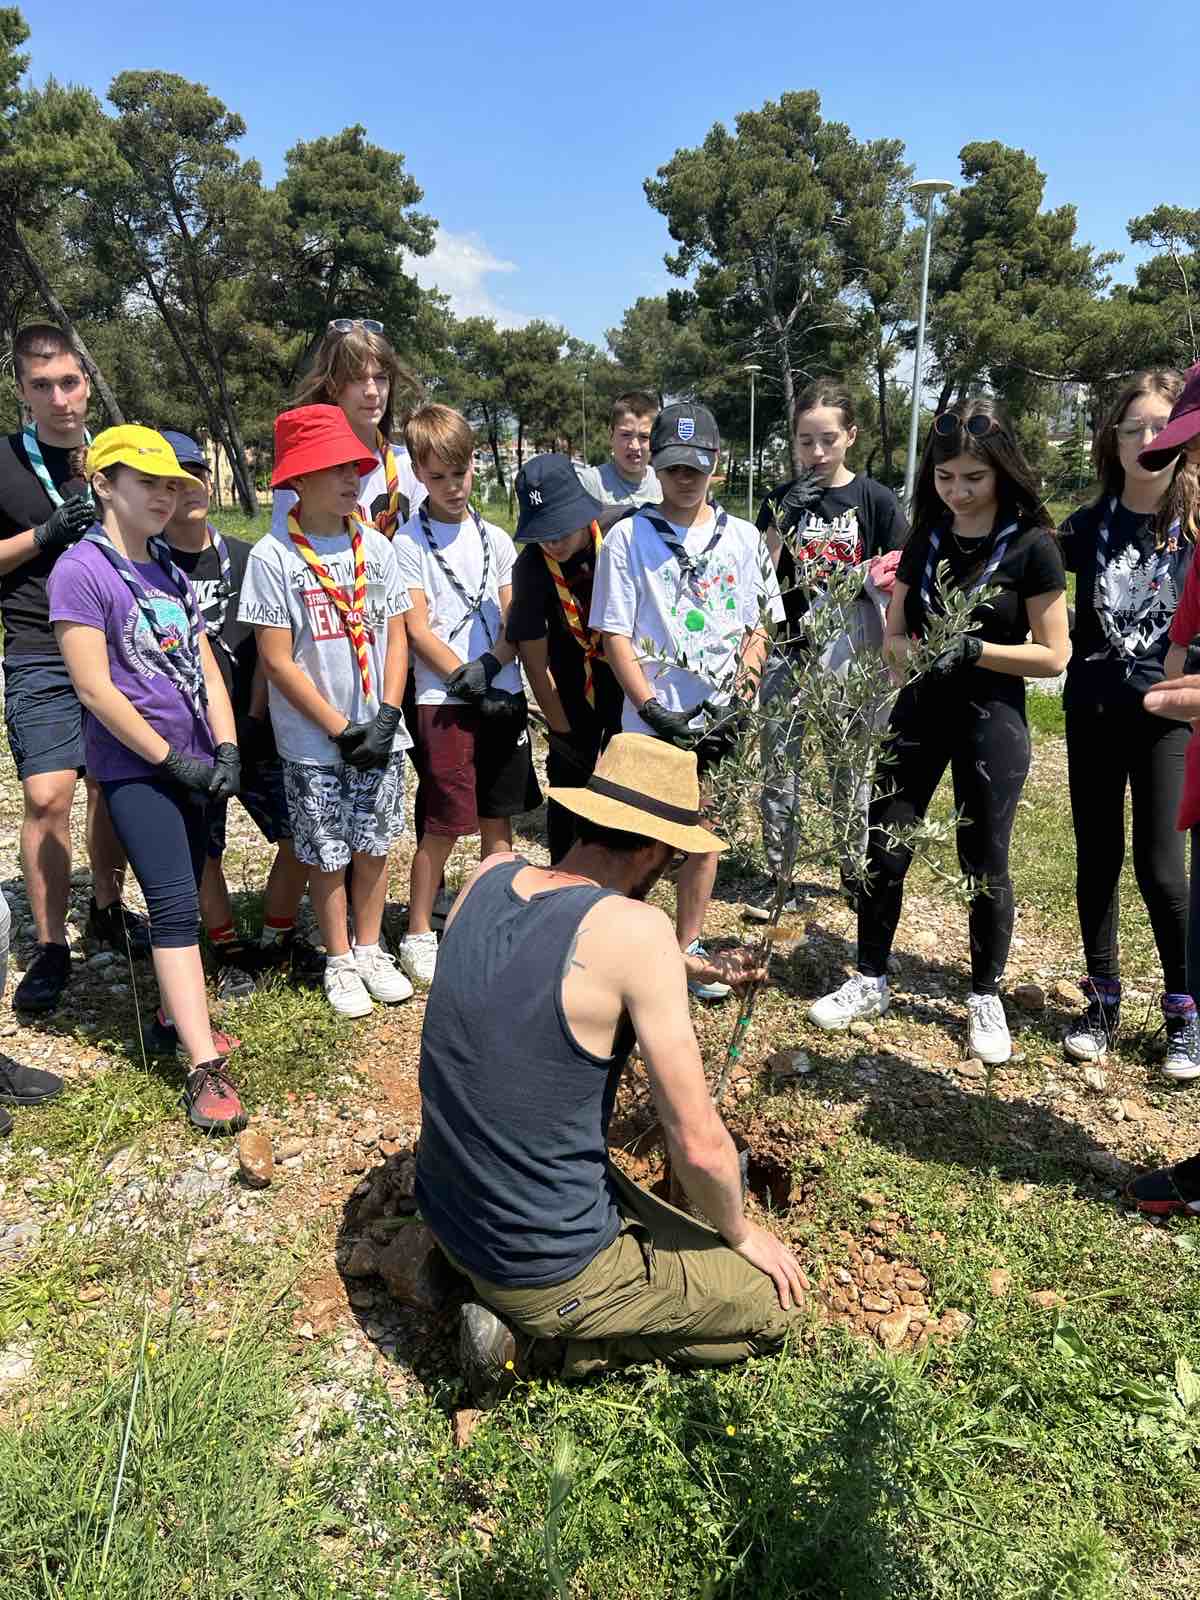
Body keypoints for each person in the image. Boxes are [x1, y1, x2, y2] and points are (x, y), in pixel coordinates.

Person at [414, 733, 805, 1399]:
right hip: (540, 1264)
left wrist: (692, 967)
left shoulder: (490, 874)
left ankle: (463, 1276)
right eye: (677, 855)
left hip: (448, 1210)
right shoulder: (638, 933)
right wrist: (741, 1233)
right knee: (774, 1308)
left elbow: (549, 960)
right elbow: (698, 1142)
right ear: (656, 849)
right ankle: (535, 1346)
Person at [808, 397, 1069, 1065]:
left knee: (984, 859)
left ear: (1001, 473)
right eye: (945, 478)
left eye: (972, 479)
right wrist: (907, 657)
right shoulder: (925, 538)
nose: (958, 492)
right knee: (883, 840)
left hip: (994, 717)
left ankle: (984, 992)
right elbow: (895, 632)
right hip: (921, 709)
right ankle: (869, 976)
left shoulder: (1033, 547)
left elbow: (1054, 654)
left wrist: (979, 653)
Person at [47, 426, 248, 1133]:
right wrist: (170, 757)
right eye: (148, 483)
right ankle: (202, 1067)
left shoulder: (167, 563)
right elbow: (96, 691)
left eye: (172, 485)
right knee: (171, 907)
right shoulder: (80, 570)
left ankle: (173, 1007)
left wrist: (224, 744)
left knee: (189, 888)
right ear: (104, 483)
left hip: (195, 758)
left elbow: (204, 660)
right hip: (139, 766)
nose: (165, 496)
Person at [590, 401, 783, 1000]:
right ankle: (624, 950)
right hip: (652, 719)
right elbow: (615, 632)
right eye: (673, 466)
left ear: (715, 465)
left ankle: (686, 946)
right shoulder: (627, 536)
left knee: (704, 834)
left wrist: (741, 697)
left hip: (718, 720)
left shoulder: (745, 539)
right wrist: (649, 706)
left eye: (695, 467)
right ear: (656, 464)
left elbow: (759, 626)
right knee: (638, 838)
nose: (684, 478)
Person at [239, 405, 415, 1019]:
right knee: (326, 850)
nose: (352, 479)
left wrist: (389, 713)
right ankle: (339, 956)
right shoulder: (273, 557)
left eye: (356, 468)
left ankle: (371, 948)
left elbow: (397, 633)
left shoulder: (378, 548)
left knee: (374, 842)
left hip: (381, 733)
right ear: (299, 478)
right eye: (335, 469)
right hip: (317, 742)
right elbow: (278, 660)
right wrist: (340, 728)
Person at [0, 324, 149, 1015]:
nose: (59, 398)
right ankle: (51, 944)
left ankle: (108, 909)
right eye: (41, 385)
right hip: (39, 646)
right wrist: (43, 536)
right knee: (48, 795)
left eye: (69, 381)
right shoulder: (3, 461)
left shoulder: (120, 453)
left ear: (87, 380)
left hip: (122, 643)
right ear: (22, 391)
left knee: (115, 789)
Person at [1058, 371, 1199, 1073]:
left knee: (1163, 870)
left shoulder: (1196, 530)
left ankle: (1184, 1009)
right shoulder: (1083, 528)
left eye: (1161, 427)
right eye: (1133, 427)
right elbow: (1023, 582)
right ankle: (1103, 997)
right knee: (1097, 860)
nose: (1148, 439)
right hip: (1091, 716)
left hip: (1166, 723)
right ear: (1111, 442)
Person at [157, 431, 321, 998]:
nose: (189, 487)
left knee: (302, 833)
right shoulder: (143, 569)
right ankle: (226, 947)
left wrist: (252, 717)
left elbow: (279, 647)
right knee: (204, 851)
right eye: (172, 479)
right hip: (191, 736)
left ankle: (276, 938)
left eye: (197, 472)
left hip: (259, 730)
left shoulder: (250, 558)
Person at [746, 381, 908, 920]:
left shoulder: (875, 500)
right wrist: (781, 519)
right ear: (793, 442)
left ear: (850, 437)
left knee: (850, 768)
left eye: (828, 440)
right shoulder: (780, 499)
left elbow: (899, 577)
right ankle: (780, 877)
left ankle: (851, 871)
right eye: (805, 441)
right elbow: (757, 578)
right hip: (789, 653)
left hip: (851, 659)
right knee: (780, 766)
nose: (817, 453)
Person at [393, 404, 541, 988]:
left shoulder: (496, 538)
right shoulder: (407, 543)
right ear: (420, 477)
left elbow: (514, 615)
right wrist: (463, 676)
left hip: (499, 693)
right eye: (438, 477)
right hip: (443, 700)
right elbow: (417, 625)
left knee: (496, 816)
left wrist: (493, 665)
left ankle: (490, 917)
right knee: (443, 820)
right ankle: (416, 931)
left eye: (461, 472)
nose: (453, 487)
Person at [506, 455, 625, 861]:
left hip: (630, 682)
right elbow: (535, 664)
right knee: (568, 786)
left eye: (560, 527)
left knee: (624, 788)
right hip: (571, 689)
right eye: (542, 532)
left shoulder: (620, 534)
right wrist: (561, 731)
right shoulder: (531, 568)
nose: (553, 542)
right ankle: (563, 872)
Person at [272, 319, 425, 539]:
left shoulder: (410, 464)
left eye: (381, 378)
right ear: (333, 386)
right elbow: (284, 545)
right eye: (357, 378)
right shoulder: (304, 471)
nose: (372, 391)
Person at [575, 390, 662, 519]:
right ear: (611, 434)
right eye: (626, 435)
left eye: (644, 437)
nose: (635, 446)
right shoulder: (589, 483)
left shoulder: (664, 483)